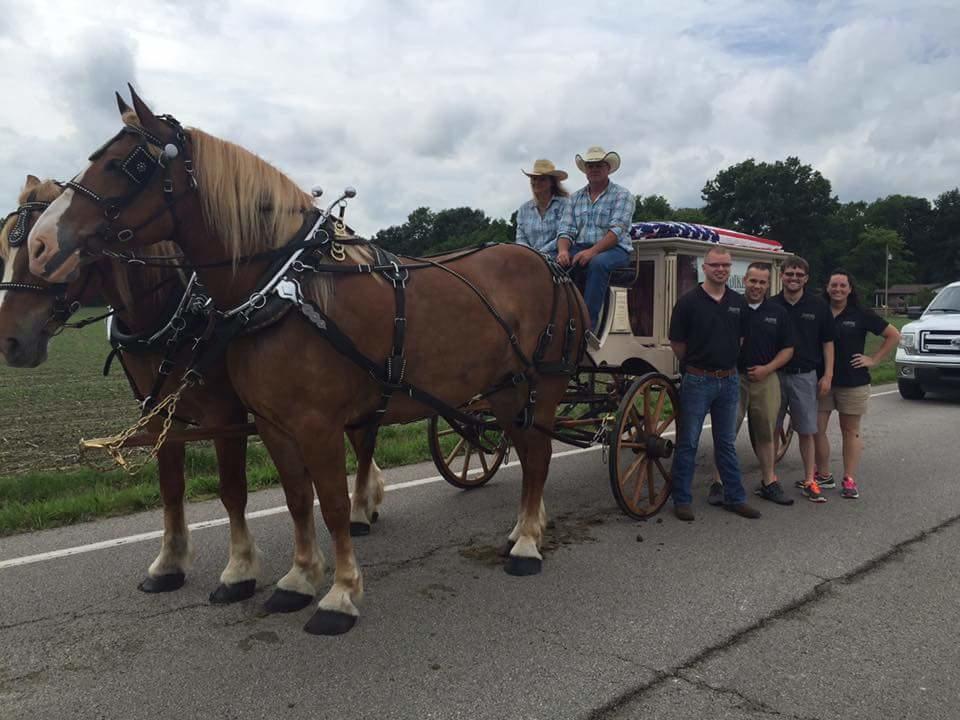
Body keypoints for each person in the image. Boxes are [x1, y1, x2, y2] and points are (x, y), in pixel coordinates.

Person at [668, 245, 762, 522]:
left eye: (725, 265)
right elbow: (677, 343)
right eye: (715, 265)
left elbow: (740, 339)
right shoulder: (688, 302)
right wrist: (697, 365)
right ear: (704, 268)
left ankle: (735, 498)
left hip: (729, 379)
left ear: (730, 269)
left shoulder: (737, 303)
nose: (721, 269)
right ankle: (682, 499)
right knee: (688, 442)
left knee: (726, 443)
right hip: (698, 379)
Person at [707, 262, 796, 506]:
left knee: (766, 432)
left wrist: (768, 368)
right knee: (726, 433)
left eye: (762, 282)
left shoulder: (778, 312)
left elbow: (788, 349)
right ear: (745, 280)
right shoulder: (731, 306)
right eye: (753, 281)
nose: (757, 286)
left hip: (766, 378)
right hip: (733, 377)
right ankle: (718, 483)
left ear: (768, 284)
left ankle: (769, 482)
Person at [814, 269, 900, 499]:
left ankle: (849, 479)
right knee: (816, 429)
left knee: (850, 431)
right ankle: (823, 474)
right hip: (822, 380)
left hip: (853, 382)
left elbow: (893, 335)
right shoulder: (819, 311)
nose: (838, 289)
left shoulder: (861, 313)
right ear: (827, 287)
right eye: (834, 285)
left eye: (843, 285)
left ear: (850, 289)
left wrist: (874, 359)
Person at [553, 146, 636, 339]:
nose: (594, 169)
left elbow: (616, 231)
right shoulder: (575, 199)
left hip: (615, 249)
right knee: (552, 264)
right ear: (585, 170)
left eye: (599, 165)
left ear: (608, 168)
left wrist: (592, 252)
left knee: (598, 264)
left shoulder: (622, 195)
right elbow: (565, 230)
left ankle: (587, 326)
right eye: (591, 166)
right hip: (581, 247)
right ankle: (557, 321)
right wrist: (563, 251)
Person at [770, 256, 835, 503]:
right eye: (789, 274)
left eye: (799, 275)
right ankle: (770, 479)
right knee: (772, 428)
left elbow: (828, 343)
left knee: (807, 430)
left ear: (806, 278)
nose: (794, 278)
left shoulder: (818, 306)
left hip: (805, 375)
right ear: (781, 275)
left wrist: (828, 375)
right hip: (775, 376)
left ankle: (810, 479)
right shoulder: (771, 304)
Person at [515, 159, 570, 255]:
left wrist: (540, 254)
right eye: (534, 179)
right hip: (529, 256)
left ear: (552, 182)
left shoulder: (564, 204)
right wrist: (530, 253)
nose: (537, 182)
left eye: (542, 179)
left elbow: (565, 233)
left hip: (557, 254)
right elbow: (521, 238)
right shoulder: (524, 209)